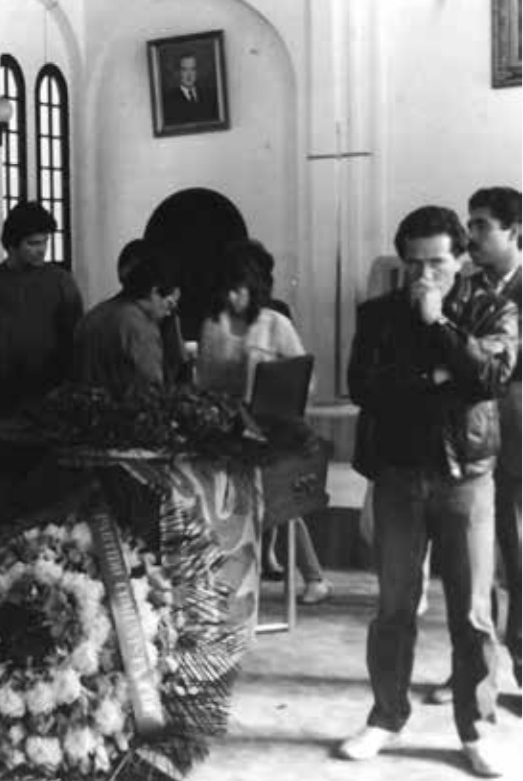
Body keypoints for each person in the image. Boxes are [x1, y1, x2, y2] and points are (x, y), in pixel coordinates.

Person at [340, 205, 517, 776]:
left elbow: (493, 377)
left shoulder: (493, 307)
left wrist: (439, 325)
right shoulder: (377, 315)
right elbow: (364, 388)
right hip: (398, 475)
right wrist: (438, 376)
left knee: (473, 612)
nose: (424, 275)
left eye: (437, 262)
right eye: (414, 264)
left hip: (468, 478)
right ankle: (386, 717)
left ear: (461, 259)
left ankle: (475, 728)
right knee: (394, 607)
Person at [194, 241, 331, 605]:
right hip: (229, 429)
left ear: (252, 288)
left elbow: (306, 379)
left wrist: (276, 397)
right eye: (226, 289)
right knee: (234, 507)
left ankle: (314, 577)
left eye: (238, 289)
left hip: (274, 429)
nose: (231, 297)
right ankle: (238, 581)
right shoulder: (212, 325)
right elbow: (204, 383)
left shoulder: (276, 324)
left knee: (281, 506)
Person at [427, 186, 523, 709]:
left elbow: (483, 367)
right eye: (470, 224)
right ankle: (471, 673)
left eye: (482, 224)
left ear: (516, 231)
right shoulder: (462, 289)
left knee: (520, 552)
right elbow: (451, 357)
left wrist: (471, 365)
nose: (472, 234)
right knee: (470, 562)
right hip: (469, 439)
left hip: (520, 432)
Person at [0, 201, 83, 436]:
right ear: (11, 245)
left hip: (48, 401)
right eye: (33, 243)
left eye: (45, 242)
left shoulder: (61, 282)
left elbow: (75, 342)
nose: (42, 250)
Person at [74, 239, 180, 395]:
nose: (169, 312)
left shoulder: (93, 315)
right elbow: (152, 390)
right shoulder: (140, 327)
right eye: (169, 303)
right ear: (154, 291)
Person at [161, 51, 218, 125]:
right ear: (178, 72)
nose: (189, 75)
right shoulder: (169, 100)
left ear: (197, 71)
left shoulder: (209, 95)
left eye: (192, 69)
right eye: (184, 70)